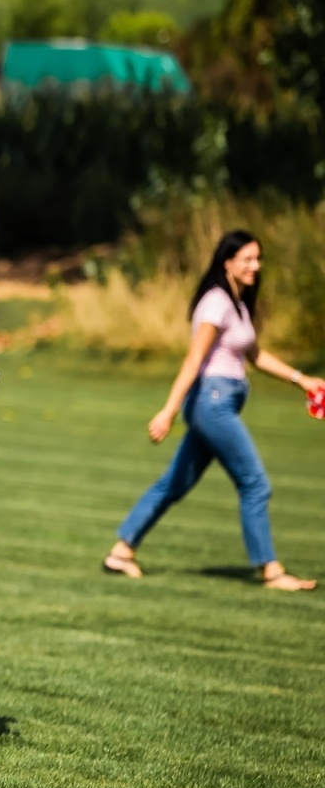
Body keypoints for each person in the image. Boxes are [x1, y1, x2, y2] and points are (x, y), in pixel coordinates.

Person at [105, 231, 323, 590]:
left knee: (175, 483)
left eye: (258, 259)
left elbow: (255, 356)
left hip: (222, 401)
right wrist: (169, 409)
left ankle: (121, 551)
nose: (256, 266)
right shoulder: (216, 303)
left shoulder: (237, 303)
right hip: (212, 403)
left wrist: (303, 380)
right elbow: (195, 359)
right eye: (248, 260)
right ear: (228, 263)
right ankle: (272, 571)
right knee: (255, 483)